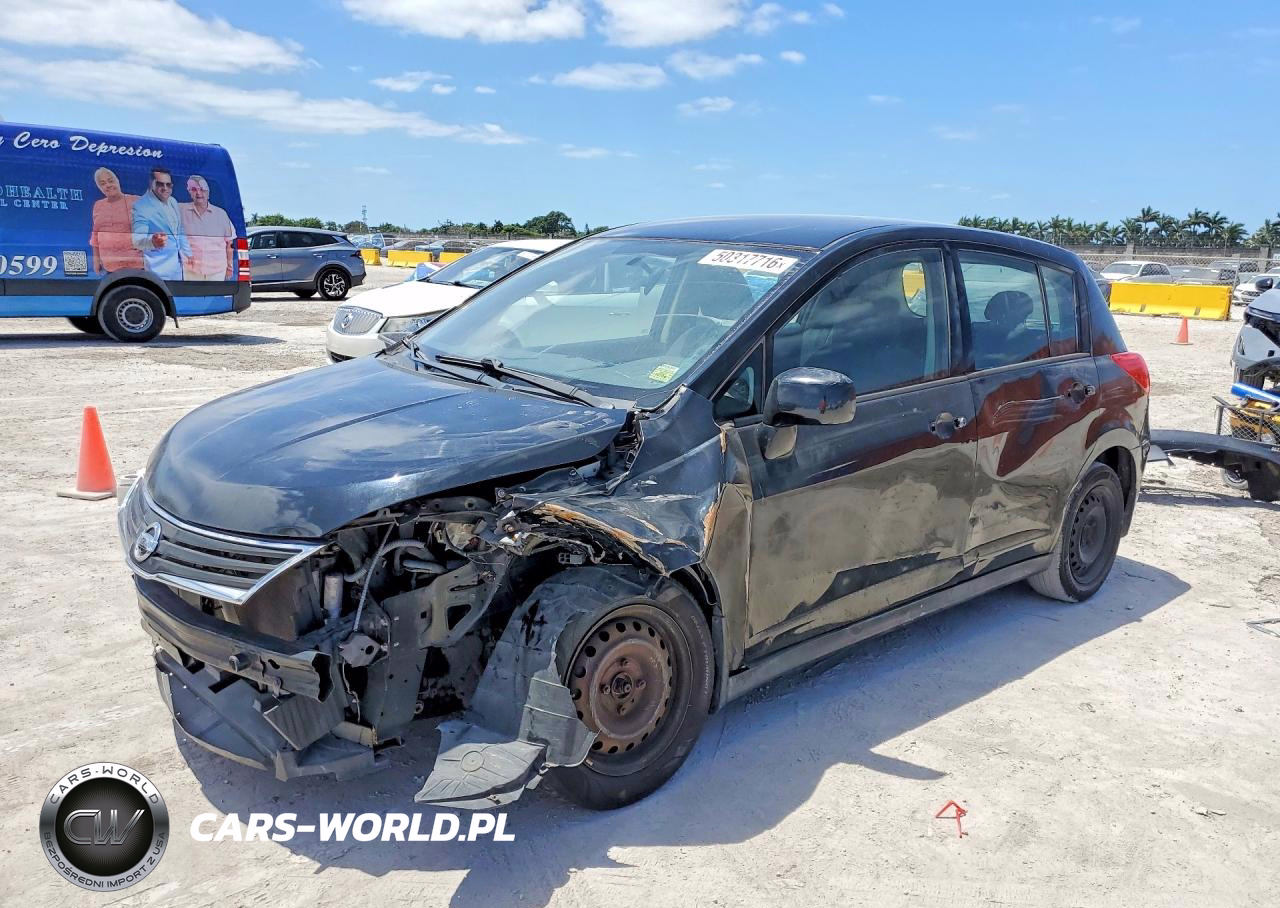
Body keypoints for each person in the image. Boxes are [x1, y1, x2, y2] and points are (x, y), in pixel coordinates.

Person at [131, 166, 192, 280]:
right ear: (151, 183)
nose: (165, 188)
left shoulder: (173, 201)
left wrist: (188, 254)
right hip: (157, 272)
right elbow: (137, 241)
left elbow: (180, 231)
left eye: (168, 185)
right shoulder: (141, 206)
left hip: (177, 270)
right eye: (160, 184)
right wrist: (153, 242)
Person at [89, 167, 143, 274]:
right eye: (103, 183)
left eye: (111, 181)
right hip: (110, 267)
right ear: (100, 187)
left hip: (135, 265)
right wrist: (96, 260)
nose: (108, 185)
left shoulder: (136, 201)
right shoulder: (98, 206)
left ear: (117, 181)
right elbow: (95, 235)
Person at [179, 175, 234, 281]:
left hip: (217, 272)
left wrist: (230, 266)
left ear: (208, 193)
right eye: (194, 189)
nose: (199, 193)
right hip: (191, 271)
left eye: (202, 189)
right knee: (191, 298)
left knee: (216, 298)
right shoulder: (180, 210)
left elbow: (229, 244)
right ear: (189, 192)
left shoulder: (221, 214)